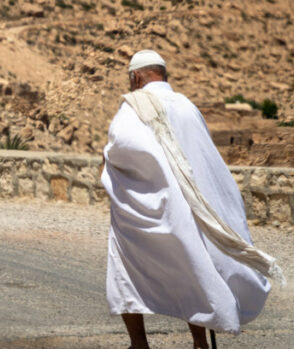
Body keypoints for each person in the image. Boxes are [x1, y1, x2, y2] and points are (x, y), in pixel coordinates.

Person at [100, 50, 280, 349]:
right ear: (163, 74)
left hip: (156, 209)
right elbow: (203, 154)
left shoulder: (133, 106)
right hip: (192, 206)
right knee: (192, 268)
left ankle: (139, 344)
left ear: (135, 77)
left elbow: (122, 145)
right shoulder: (186, 105)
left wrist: (107, 159)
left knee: (126, 267)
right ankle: (199, 342)